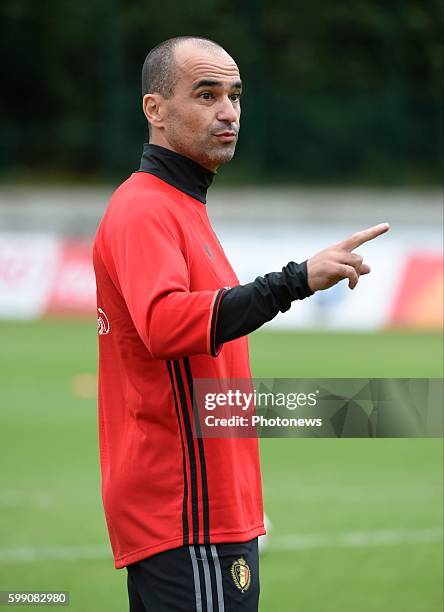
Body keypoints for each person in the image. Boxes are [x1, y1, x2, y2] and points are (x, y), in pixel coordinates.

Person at [93, 36, 389, 612]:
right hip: (186, 509)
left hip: (210, 507)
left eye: (234, 95)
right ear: (154, 110)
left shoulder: (182, 204)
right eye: (206, 94)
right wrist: (295, 279)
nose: (227, 111)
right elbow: (164, 325)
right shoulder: (145, 206)